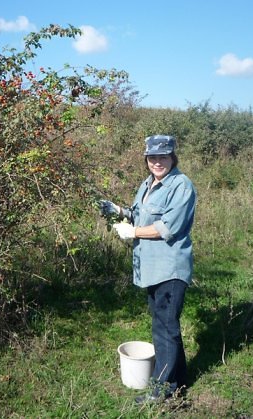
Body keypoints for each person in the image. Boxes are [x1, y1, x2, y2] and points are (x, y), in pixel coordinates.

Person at [100, 134, 196, 403]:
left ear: (172, 157)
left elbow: (168, 227)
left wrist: (134, 232)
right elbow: (138, 213)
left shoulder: (181, 185)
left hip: (170, 268)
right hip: (150, 268)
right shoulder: (147, 184)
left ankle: (161, 392)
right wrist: (118, 210)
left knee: (164, 329)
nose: (157, 162)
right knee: (166, 325)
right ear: (146, 159)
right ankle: (179, 381)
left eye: (163, 156)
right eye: (152, 157)